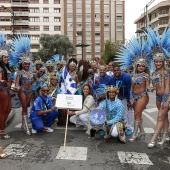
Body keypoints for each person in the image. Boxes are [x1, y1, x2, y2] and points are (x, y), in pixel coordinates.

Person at [146, 27, 170, 148]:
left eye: (160, 61)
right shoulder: (154, 73)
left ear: (163, 62)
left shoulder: (166, 72)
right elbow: (156, 85)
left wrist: (166, 100)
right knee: (164, 117)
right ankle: (165, 136)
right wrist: (152, 88)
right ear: (154, 62)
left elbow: (167, 88)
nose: (158, 63)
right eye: (156, 61)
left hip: (166, 97)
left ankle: (154, 138)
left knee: (160, 116)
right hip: (157, 97)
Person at [11, 35, 34, 135]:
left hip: (30, 91)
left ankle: (23, 124)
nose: (27, 65)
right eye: (25, 63)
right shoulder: (19, 72)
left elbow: (34, 80)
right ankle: (26, 128)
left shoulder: (32, 72)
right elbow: (17, 81)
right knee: (24, 107)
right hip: (22, 91)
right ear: (22, 63)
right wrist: (17, 86)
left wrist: (36, 82)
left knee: (27, 107)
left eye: (28, 64)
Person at [112, 65, 133, 136]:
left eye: (118, 70)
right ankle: (123, 126)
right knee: (121, 112)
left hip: (126, 96)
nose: (116, 72)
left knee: (128, 111)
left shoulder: (126, 77)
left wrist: (129, 101)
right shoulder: (113, 77)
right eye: (115, 71)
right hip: (118, 97)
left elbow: (129, 89)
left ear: (120, 70)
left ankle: (129, 127)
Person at [0, 37, 12, 139]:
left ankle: (1, 129)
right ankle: (2, 131)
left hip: (7, 90)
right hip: (2, 90)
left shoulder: (6, 67)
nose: (6, 59)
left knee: (8, 109)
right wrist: (1, 81)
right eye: (4, 57)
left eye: (7, 57)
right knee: (3, 111)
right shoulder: (0, 68)